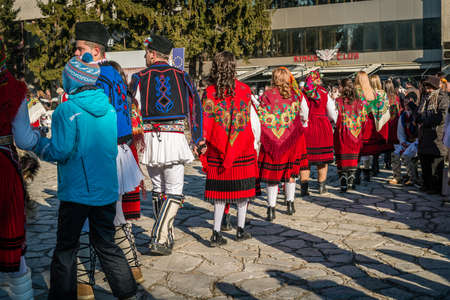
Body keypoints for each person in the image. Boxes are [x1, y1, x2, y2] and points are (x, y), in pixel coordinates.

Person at [33, 53, 137, 299]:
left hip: (76, 193)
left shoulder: (66, 110)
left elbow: (60, 150)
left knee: (66, 249)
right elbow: (109, 148)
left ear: (72, 81)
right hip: (106, 192)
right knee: (106, 244)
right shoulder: (109, 109)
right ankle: (128, 292)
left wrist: (36, 144)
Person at [73, 21, 144, 297]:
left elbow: (91, 120)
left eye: (80, 49)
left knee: (90, 218)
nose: (76, 54)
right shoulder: (113, 74)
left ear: (93, 49)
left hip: (101, 155)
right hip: (117, 151)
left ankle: (84, 281)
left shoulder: (92, 77)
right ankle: (132, 266)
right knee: (114, 215)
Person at [132, 35, 203, 255]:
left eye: (146, 53)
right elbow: (195, 108)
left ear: (153, 54)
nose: (145, 56)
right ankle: (160, 237)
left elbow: (131, 108)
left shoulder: (139, 77)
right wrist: (198, 138)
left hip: (151, 139)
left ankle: (166, 235)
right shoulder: (182, 76)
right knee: (174, 190)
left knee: (159, 189)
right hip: (174, 139)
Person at [201, 51, 257, 246]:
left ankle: (216, 233)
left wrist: (203, 144)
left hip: (217, 150)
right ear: (234, 67)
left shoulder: (209, 92)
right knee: (243, 192)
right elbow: (247, 122)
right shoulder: (245, 90)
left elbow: (206, 122)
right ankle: (240, 230)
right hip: (242, 149)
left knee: (220, 194)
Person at [0, 38, 40, 300]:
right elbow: (25, 140)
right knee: (11, 244)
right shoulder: (13, 89)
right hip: (3, 169)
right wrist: (42, 143)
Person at [257, 67, 308, 219]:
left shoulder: (266, 95)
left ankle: (271, 208)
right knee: (290, 172)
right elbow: (305, 113)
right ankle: (290, 204)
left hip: (271, 140)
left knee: (273, 174)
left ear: (274, 79)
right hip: (292, 139)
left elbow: (261, 116)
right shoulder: (296, 94)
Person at [301, 71, 338, 195]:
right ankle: (322, 186)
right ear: (318, 80)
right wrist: (334, 122)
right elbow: (332, 112)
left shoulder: (303, 93)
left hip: (308, 126)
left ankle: (304, 188)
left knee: (306, 160)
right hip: (323, 126)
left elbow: (303, 111)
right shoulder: (324, 92)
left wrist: (304, 122)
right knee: (322, 159)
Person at [416, 75, 449, 195]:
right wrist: (421, 118)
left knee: (435, 165)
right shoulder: (425, 97)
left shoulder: (442, 98)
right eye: (426, 87)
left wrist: (425, 120)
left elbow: (441, 117)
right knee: (424, 163)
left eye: (429, 87)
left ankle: (435, 187)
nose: (427, 90)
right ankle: (426, 184)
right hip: (424, 136)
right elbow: (419, 113)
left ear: (434, 87)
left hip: (437, 137)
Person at [334, 78, 367, 192]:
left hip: (342, 133)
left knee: (342, 159)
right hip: (355, 133)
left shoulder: (338, 101)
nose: (338, 88)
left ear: (343, 88)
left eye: (339, 86)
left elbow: (334, 118)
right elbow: (364, 119)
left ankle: (343, 183)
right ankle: (351, 182)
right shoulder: (359, 101)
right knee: (353, 158)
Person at [356, 72, 390, 182]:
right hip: (371, 123)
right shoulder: (374, 93)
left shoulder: (357, 91)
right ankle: (367, 173)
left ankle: (356, 174)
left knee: (358, 150)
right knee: (368, 150)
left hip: (359, 123)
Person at [389, 93, 419, 186]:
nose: (406, 106)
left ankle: (412, 178)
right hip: (406, 142)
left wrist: (415, 142)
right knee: (395, 154)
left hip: (416, 143)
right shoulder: (403, 116)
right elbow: (400, 132)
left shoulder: (418, 114)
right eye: (405, 103)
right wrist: (403, 142)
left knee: (406, 155)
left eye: (408, 103)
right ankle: (397, 177)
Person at [384, 79, 402, 170]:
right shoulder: (396, 97)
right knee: (394, 142)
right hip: (394, 121)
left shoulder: (383, 97)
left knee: (387, 142)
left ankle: (387, 161)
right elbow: (399, 110)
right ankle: (392, 161)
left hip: (386, 121)